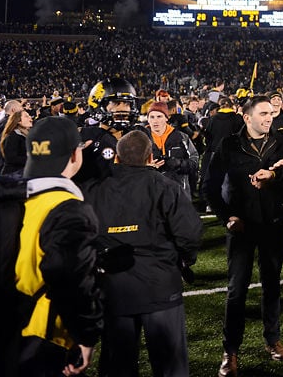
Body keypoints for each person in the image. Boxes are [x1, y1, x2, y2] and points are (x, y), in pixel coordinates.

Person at [83, 130, 202, 377]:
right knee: (170, 367)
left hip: (114, 286)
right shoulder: (165, 186)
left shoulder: (95, 189)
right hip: (160, 285)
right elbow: (189, 233)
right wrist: (184, 260)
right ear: (150, 157)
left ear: (116, 157)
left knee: (118, 366)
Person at [205, 95, 283, 377]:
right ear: (247, 118)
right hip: (242, 228)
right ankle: (230, 350)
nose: (269, 117)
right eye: (262, 114)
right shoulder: (229, 145)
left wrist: (277, 178)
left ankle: (273, 339)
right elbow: (208, 185)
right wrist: (228, 217)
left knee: (272, 285)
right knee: (237, 290)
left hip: (273, 224)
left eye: (270, 113)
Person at [16, 116, 103, 376]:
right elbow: (69, 277)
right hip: (44, 338)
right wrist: (86, 335)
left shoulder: (5, 196)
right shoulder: (67, 208)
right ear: (75, 155)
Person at [144, 102, 199, 193]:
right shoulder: (141, 138)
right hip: (151, 193)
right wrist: (145, 166)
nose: (155, 121)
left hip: (178, 193)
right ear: (148, 119)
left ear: (166, 118)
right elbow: (128, 165)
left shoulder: (181, 137)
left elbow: (194, 161)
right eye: (152, 117)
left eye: (159, 116)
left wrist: (179, 164)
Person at [0, 108, 34, 176]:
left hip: (23, 172)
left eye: (29, 115)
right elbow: (10, 158)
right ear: (18, 121)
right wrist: (31, 158)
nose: (30, 118)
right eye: (26, 116)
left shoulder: (28, 134)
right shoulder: (12, 136)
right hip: (13, 174)